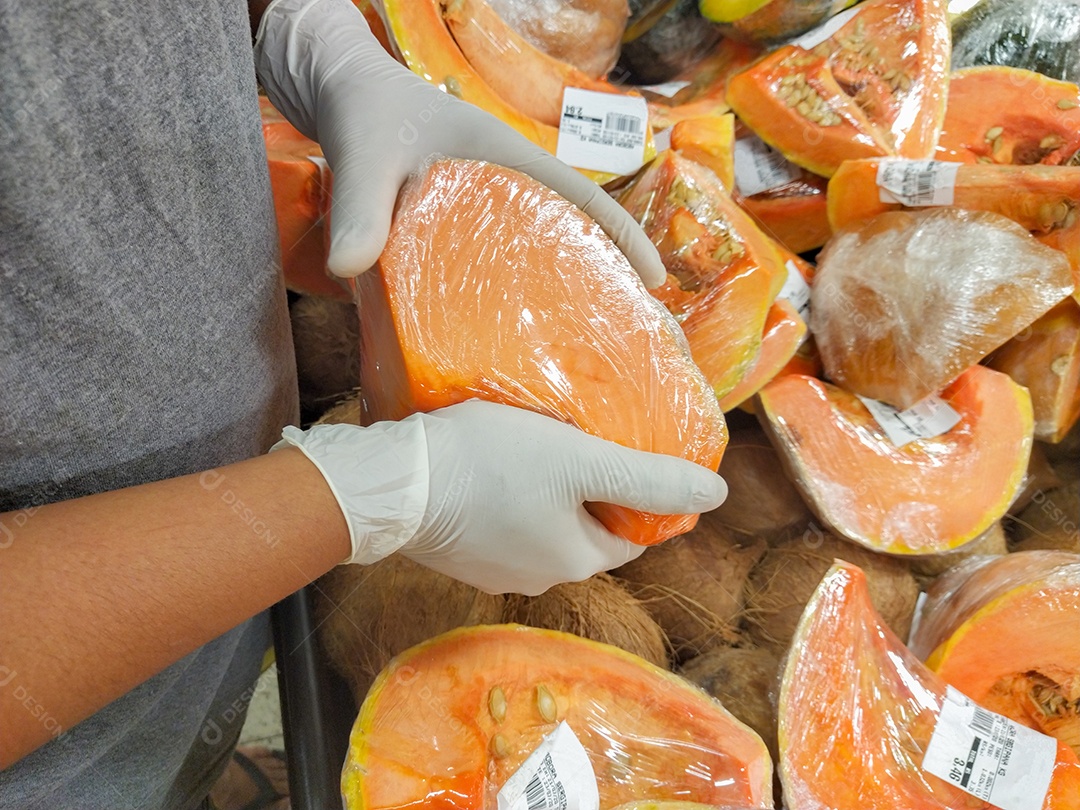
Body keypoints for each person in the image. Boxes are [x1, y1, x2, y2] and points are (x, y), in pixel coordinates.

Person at [0, 0, 728, 807]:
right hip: (52, 756)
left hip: (214, 590)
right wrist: (359, 497)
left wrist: (304, 31)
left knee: (186, 747)